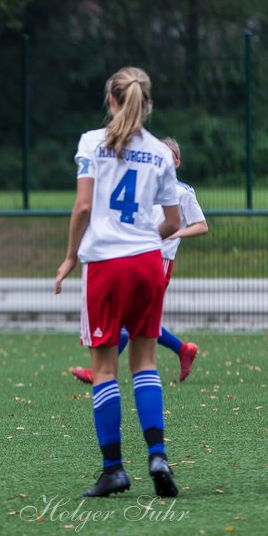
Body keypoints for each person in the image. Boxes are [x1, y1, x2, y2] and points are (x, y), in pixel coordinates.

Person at [54, 67, 182, 499]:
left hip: (106, 266)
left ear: (110, 100)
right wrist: (143, 243)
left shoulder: (93, 142)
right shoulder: (161, 153)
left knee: (105, 369)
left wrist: (71, 255)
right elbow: (173, 222)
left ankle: (114, 470)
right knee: (145, 363)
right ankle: (158, 455)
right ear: (146, 104)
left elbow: (83, 206)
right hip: (148, 262)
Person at [69, 136, 208, 385]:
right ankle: (183, 349)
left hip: (160, 260)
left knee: (132, 318)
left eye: (170, 155)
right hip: (136, 258)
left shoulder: (182, 191)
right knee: (137, 319)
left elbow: (201, 226)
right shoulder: (146, 186)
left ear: (176, 162)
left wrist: (175, 231)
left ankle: (98, 371)